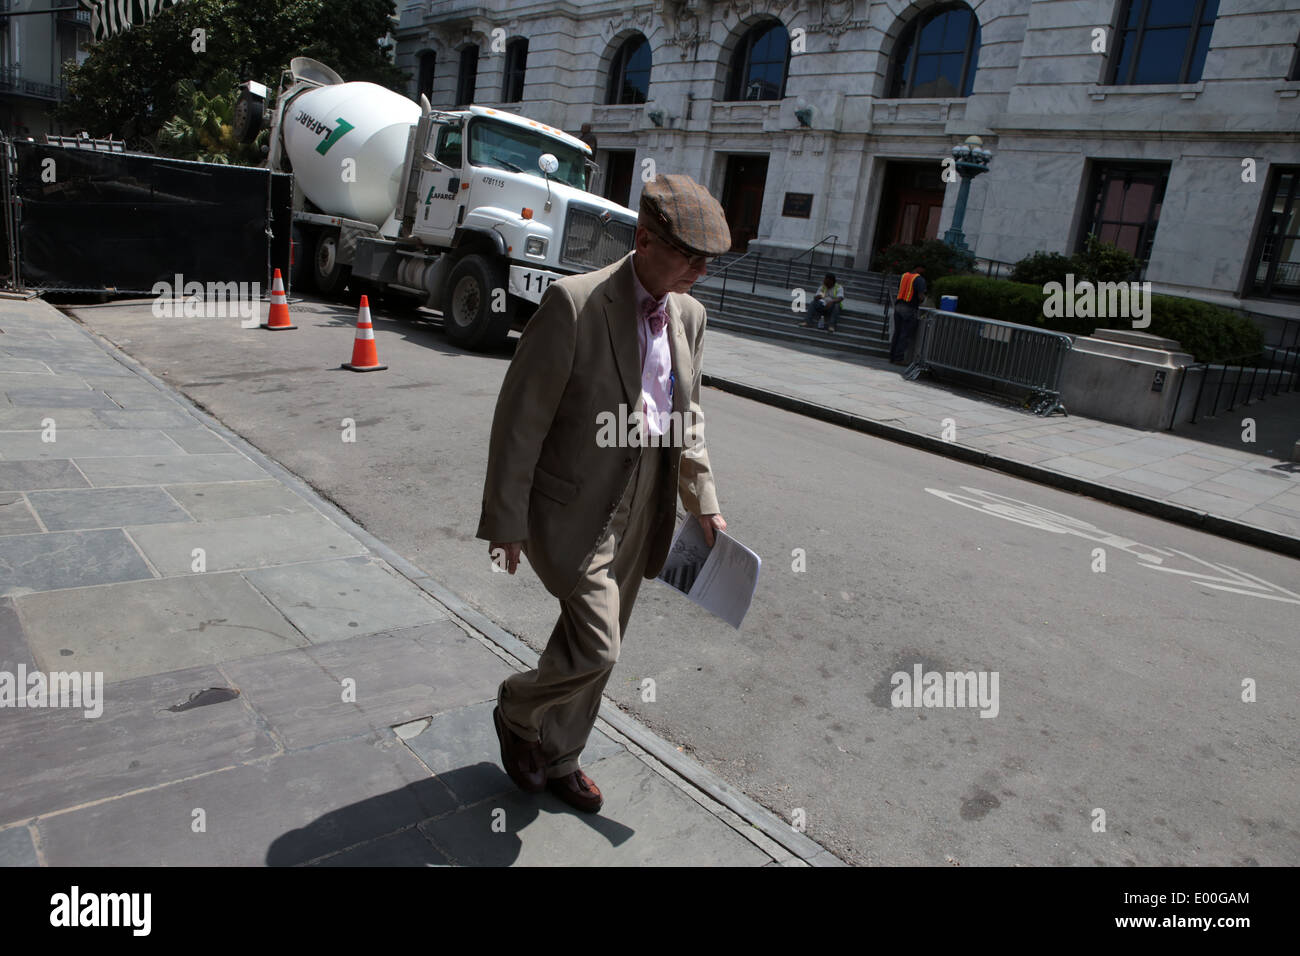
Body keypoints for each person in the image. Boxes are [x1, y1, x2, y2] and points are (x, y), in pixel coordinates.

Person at [477, 173, 730, 814]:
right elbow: (520, 422)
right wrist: (507, 518)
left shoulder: (690, 317)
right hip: (575, 500)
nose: (700, 272)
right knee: (597, 643)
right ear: (644, 238)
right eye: (688, 256)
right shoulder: (574, 303)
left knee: (595, 642)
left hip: (649, 500)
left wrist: (704, 500)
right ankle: (517, 707)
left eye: (709, 262)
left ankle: (560, 755)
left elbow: (687, 419)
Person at [889, 264, 926, 365]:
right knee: (904, 334)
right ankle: (899, 358)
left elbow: (899, 288)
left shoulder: (904, 276)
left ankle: (892, 356)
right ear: (919, 268)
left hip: (898, 306)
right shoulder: (919, 280)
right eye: (923, 268)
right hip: (909, 308)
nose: (924, 270)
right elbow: (921, 296)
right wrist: (923, 300)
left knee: (897, 332)